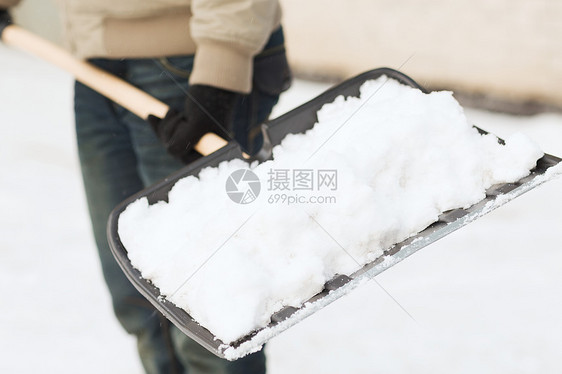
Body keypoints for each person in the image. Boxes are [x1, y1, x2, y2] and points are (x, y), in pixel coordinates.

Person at [0, 1, 291, 373]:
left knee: (206, 309)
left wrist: (219, 73)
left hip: (191, 61)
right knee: (137, 296)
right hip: (94, 60)